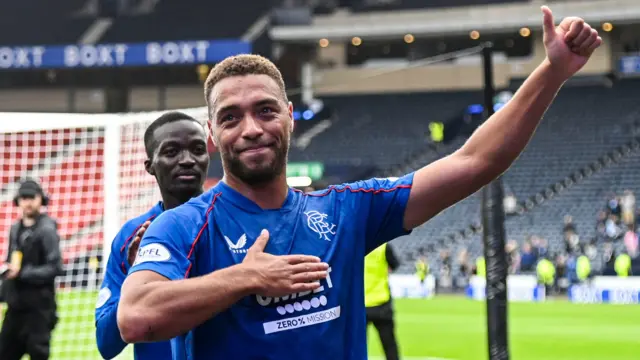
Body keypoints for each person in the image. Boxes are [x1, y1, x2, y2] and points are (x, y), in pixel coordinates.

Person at [118, 7, 602, 359]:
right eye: (230, 117)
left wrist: (553, 72)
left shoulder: (347, 210)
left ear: (290, 118)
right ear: (213, 136)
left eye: (265, 111)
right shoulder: (183, 226)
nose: (250, 128)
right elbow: (136, 316)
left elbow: (476, 161)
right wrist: (248, 277)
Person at [95, 111, 209, 359]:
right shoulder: (131, 237)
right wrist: (137, 277)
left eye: (198, 149)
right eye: (171, 152)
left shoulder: (231, 222)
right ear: (149, 166)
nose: (188, 160)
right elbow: (106, 344)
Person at [0, 179, 63, 360]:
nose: (27, 202)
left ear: (40, 199)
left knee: (39, 355)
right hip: (16, 309)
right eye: (23, 197)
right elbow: (10, 262)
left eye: (31, 197)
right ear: (17, 201)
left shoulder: (47, 229)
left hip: (39, 310)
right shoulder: (15, 228)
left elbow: (55, 267)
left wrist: (22, 273)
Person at [364, 243, 400, 360]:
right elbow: (394, 265)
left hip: (360, 305)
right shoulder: (383, 247)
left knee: (358, 346)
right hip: (382, 302)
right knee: (389, 346)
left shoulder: (355, 244)